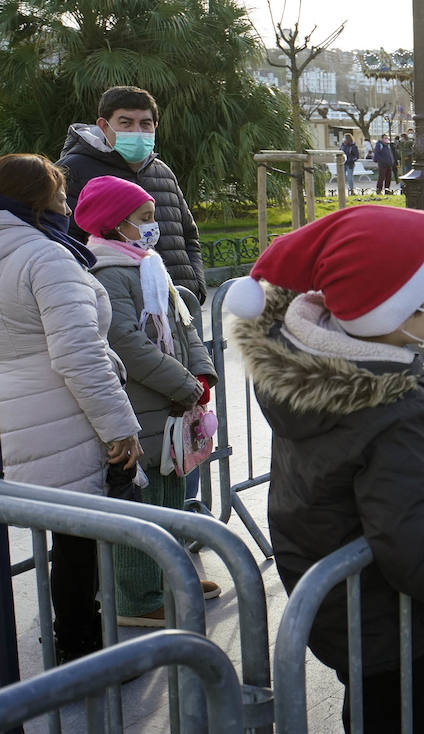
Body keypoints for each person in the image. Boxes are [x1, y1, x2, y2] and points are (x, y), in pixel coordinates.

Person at [225, 205, 424, 733]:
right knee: (409, 711)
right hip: (383, 612)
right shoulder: (395, 410)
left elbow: (356, 427)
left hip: (343, 590)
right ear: (392, 308)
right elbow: (414, 549)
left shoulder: (324, 358)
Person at [0, 153, 141, 664]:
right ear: (37, 203)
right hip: (63, 416)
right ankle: (82, 652)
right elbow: (79, 355)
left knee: (64, 541)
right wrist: (119, 427)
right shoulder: (48, 257)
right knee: (80, 545)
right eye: (61, 197)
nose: (67, 207)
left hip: (17, 416)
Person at [73, 176, 220, 627]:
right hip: (144, 407)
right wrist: (184, 385)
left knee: (173, 494)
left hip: (173, 406)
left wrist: (201, 371)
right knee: (146, 502)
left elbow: (184, 323)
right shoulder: (106, 273)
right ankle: (139, 599)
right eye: (145, 219)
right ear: (117, 224)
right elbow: (130, 346)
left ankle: (171, 577)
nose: (153, 227)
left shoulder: (149, 264)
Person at [57, 85, 207, 301]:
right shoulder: (72, 171)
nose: (137, 131)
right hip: (118, 310)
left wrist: (196, 287)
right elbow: (64, 243)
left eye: (145, 124)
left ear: (155, 126)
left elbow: (189, 235)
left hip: (180, 306)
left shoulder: (162, 172)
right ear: (104, 125)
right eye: (126, 123)